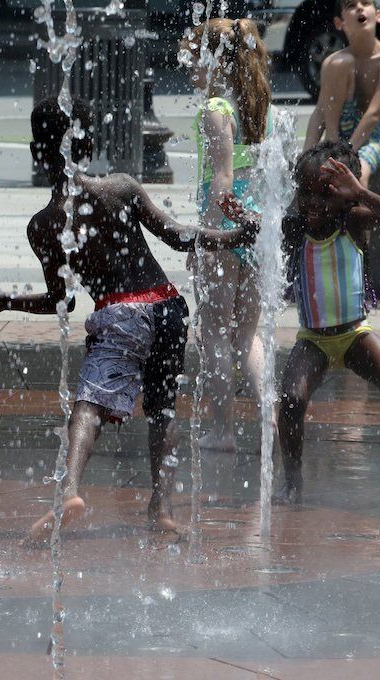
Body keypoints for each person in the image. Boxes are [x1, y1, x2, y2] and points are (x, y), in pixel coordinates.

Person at [0, 100, 259, 543]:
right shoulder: (120, 188)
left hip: (120, 314)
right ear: (87, 143)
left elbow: (59, 301)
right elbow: (179, 236)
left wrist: (6, 302)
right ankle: (160, 508)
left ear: (34, 152)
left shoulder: (43, 224)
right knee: (161, 410)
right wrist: (233, 237)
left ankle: (70, 492)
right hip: (168, 307)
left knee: (89, 402)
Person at [223, 142, 380, 505]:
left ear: (344, 195)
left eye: (325, 195)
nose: (313, 204)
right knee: (291, 400)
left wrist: (359, 192)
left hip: (355, 334)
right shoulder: (297, 228)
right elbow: (261, 230)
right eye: (305, 194)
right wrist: (241, 218)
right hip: (314, 340)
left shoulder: (354, 221)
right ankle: (292, 479)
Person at [181, 18, 275, 452]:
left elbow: (221, 182)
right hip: (257, 233)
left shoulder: (216, 111)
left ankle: (223, 432)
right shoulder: (263, 109)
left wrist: (205, 237)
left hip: (225, 231)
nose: (190, 68)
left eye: (195, 58)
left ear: (214, 60)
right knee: (248, 335)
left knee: (215, 331)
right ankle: (270, 417)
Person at [303, 0, 380, 187]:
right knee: (338, 62)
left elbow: (374, 114)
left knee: (357, 175)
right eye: (351, 5)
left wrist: (347, 156)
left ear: (378, 15)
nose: (360, 8)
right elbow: (320, 112)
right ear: (339, 23)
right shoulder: (333, 63)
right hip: (342, 136)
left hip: (375, 136)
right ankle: (332, 146)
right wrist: (305, 159)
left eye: (366, 3)